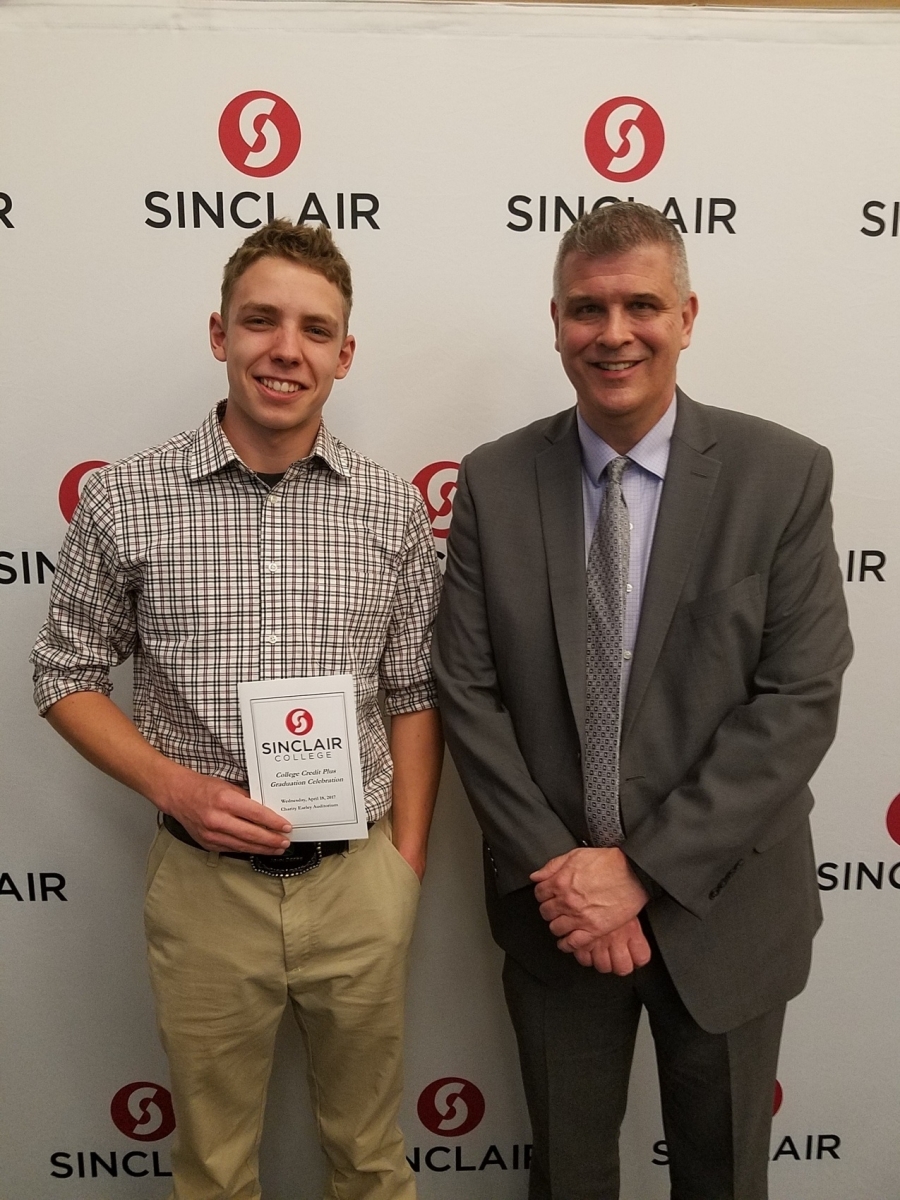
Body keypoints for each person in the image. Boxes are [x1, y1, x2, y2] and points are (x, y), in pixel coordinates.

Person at [433, 202, 851, 1200]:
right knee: (567, 1181)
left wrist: (644, 872)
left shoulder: (782, 475)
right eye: (588, 308)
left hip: (726, 911)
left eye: (641, 304)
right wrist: (566, 875)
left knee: (722, 1181)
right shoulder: (494, 479)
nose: (614, 331)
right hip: (557, 913)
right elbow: (468, 689)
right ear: (557, 320)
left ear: (688, 315)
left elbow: (798, 695)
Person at [32, 219, 443, 1200]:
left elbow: (416, 694)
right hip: (205, 886)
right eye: (261, 321)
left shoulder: (391, 511)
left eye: (313, 328)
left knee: (373, 1161)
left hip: (358, 882)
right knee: (213, 1171)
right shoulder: (125, 500)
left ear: (344, 354)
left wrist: (406, 864)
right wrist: (172, 785)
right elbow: (63, 674)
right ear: (220, 334)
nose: (284, 349)